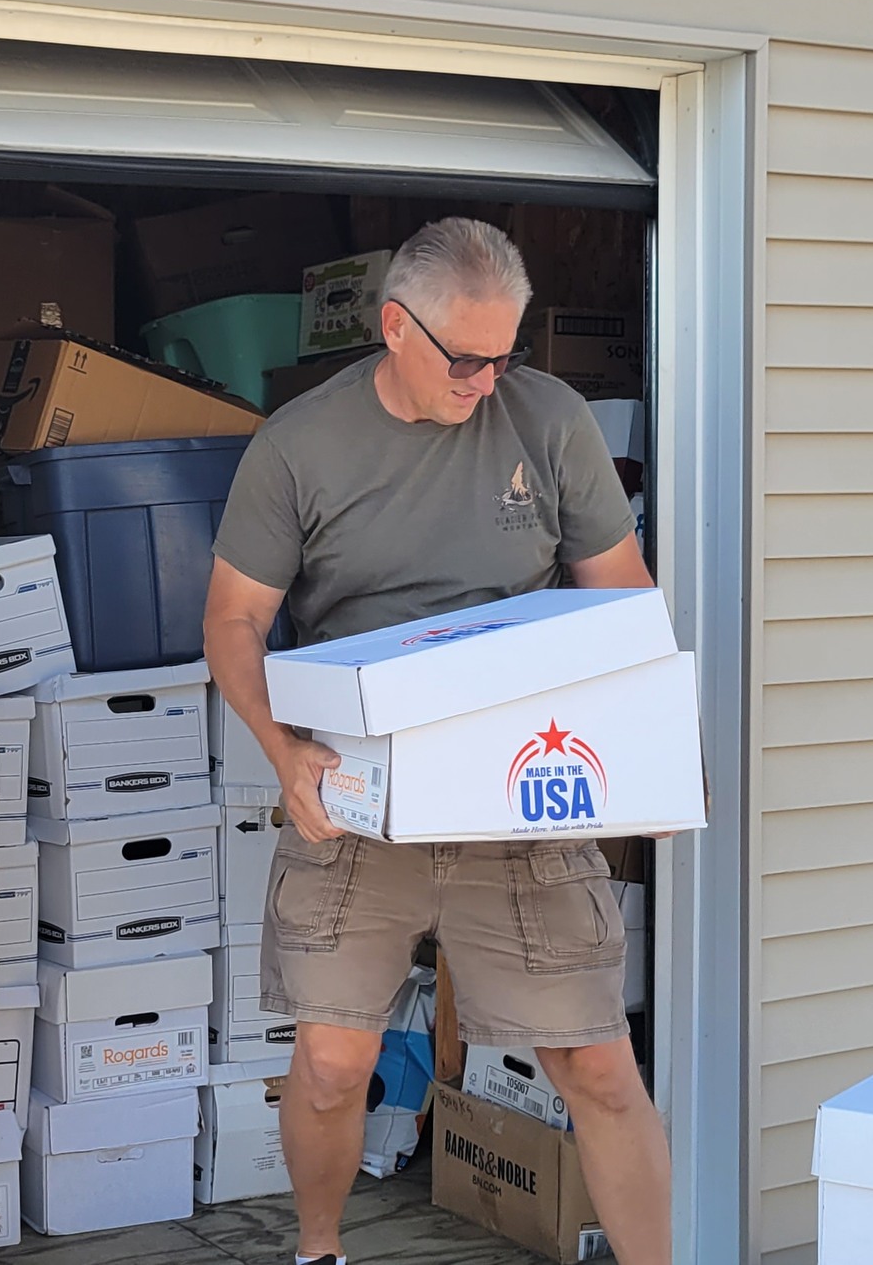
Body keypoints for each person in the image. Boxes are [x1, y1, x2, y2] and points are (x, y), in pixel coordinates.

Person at [202, 217, 672, 1264]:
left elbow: (624, 607)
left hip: (519, 783)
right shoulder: (300, 445)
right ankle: (319, 1251)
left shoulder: (547, 422)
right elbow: (232, 621)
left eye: (508, 356)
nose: (486, 382)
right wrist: (287, 758)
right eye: (467, 359)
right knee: (331, 1064)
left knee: (598, 1067)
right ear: (393, 329)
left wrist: (640, 767)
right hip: (354, 790)